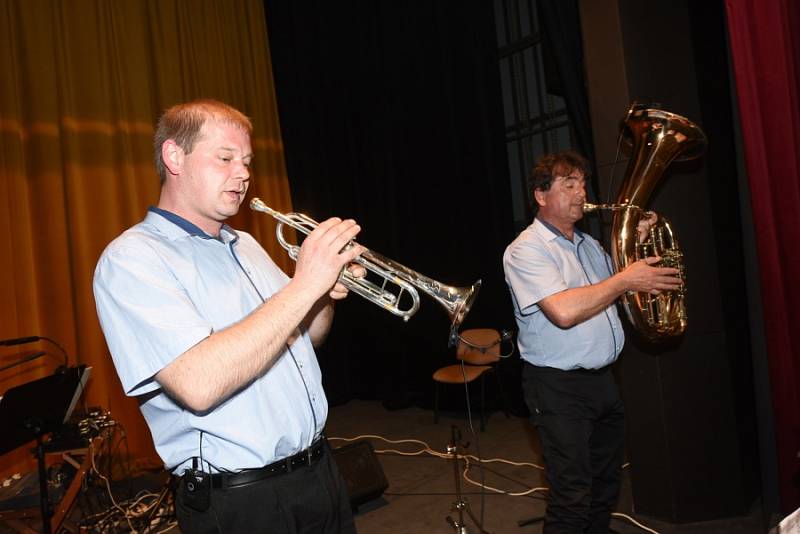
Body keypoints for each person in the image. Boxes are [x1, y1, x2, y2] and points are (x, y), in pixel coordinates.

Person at [93, 99, 363, 533]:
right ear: (174, 157)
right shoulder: (133, 258)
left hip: (318, 471)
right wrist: (304, 286)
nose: (244, 173)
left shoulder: (247, 245)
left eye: (248, 161)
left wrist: (324, 294)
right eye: (225, 158)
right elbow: (199, 384)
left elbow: (310, 335)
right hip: (241, 499)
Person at [502, 150, 681, 533]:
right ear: (541, 195)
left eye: (582, 184)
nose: (582, 192)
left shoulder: (588, 244)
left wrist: (637, 242)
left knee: (605, 487)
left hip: (603, 381)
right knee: (572, 495)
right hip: (557, 387)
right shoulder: (526, 249)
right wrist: (625, 279)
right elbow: (564, 312)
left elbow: (608, 290)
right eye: (569, 185)